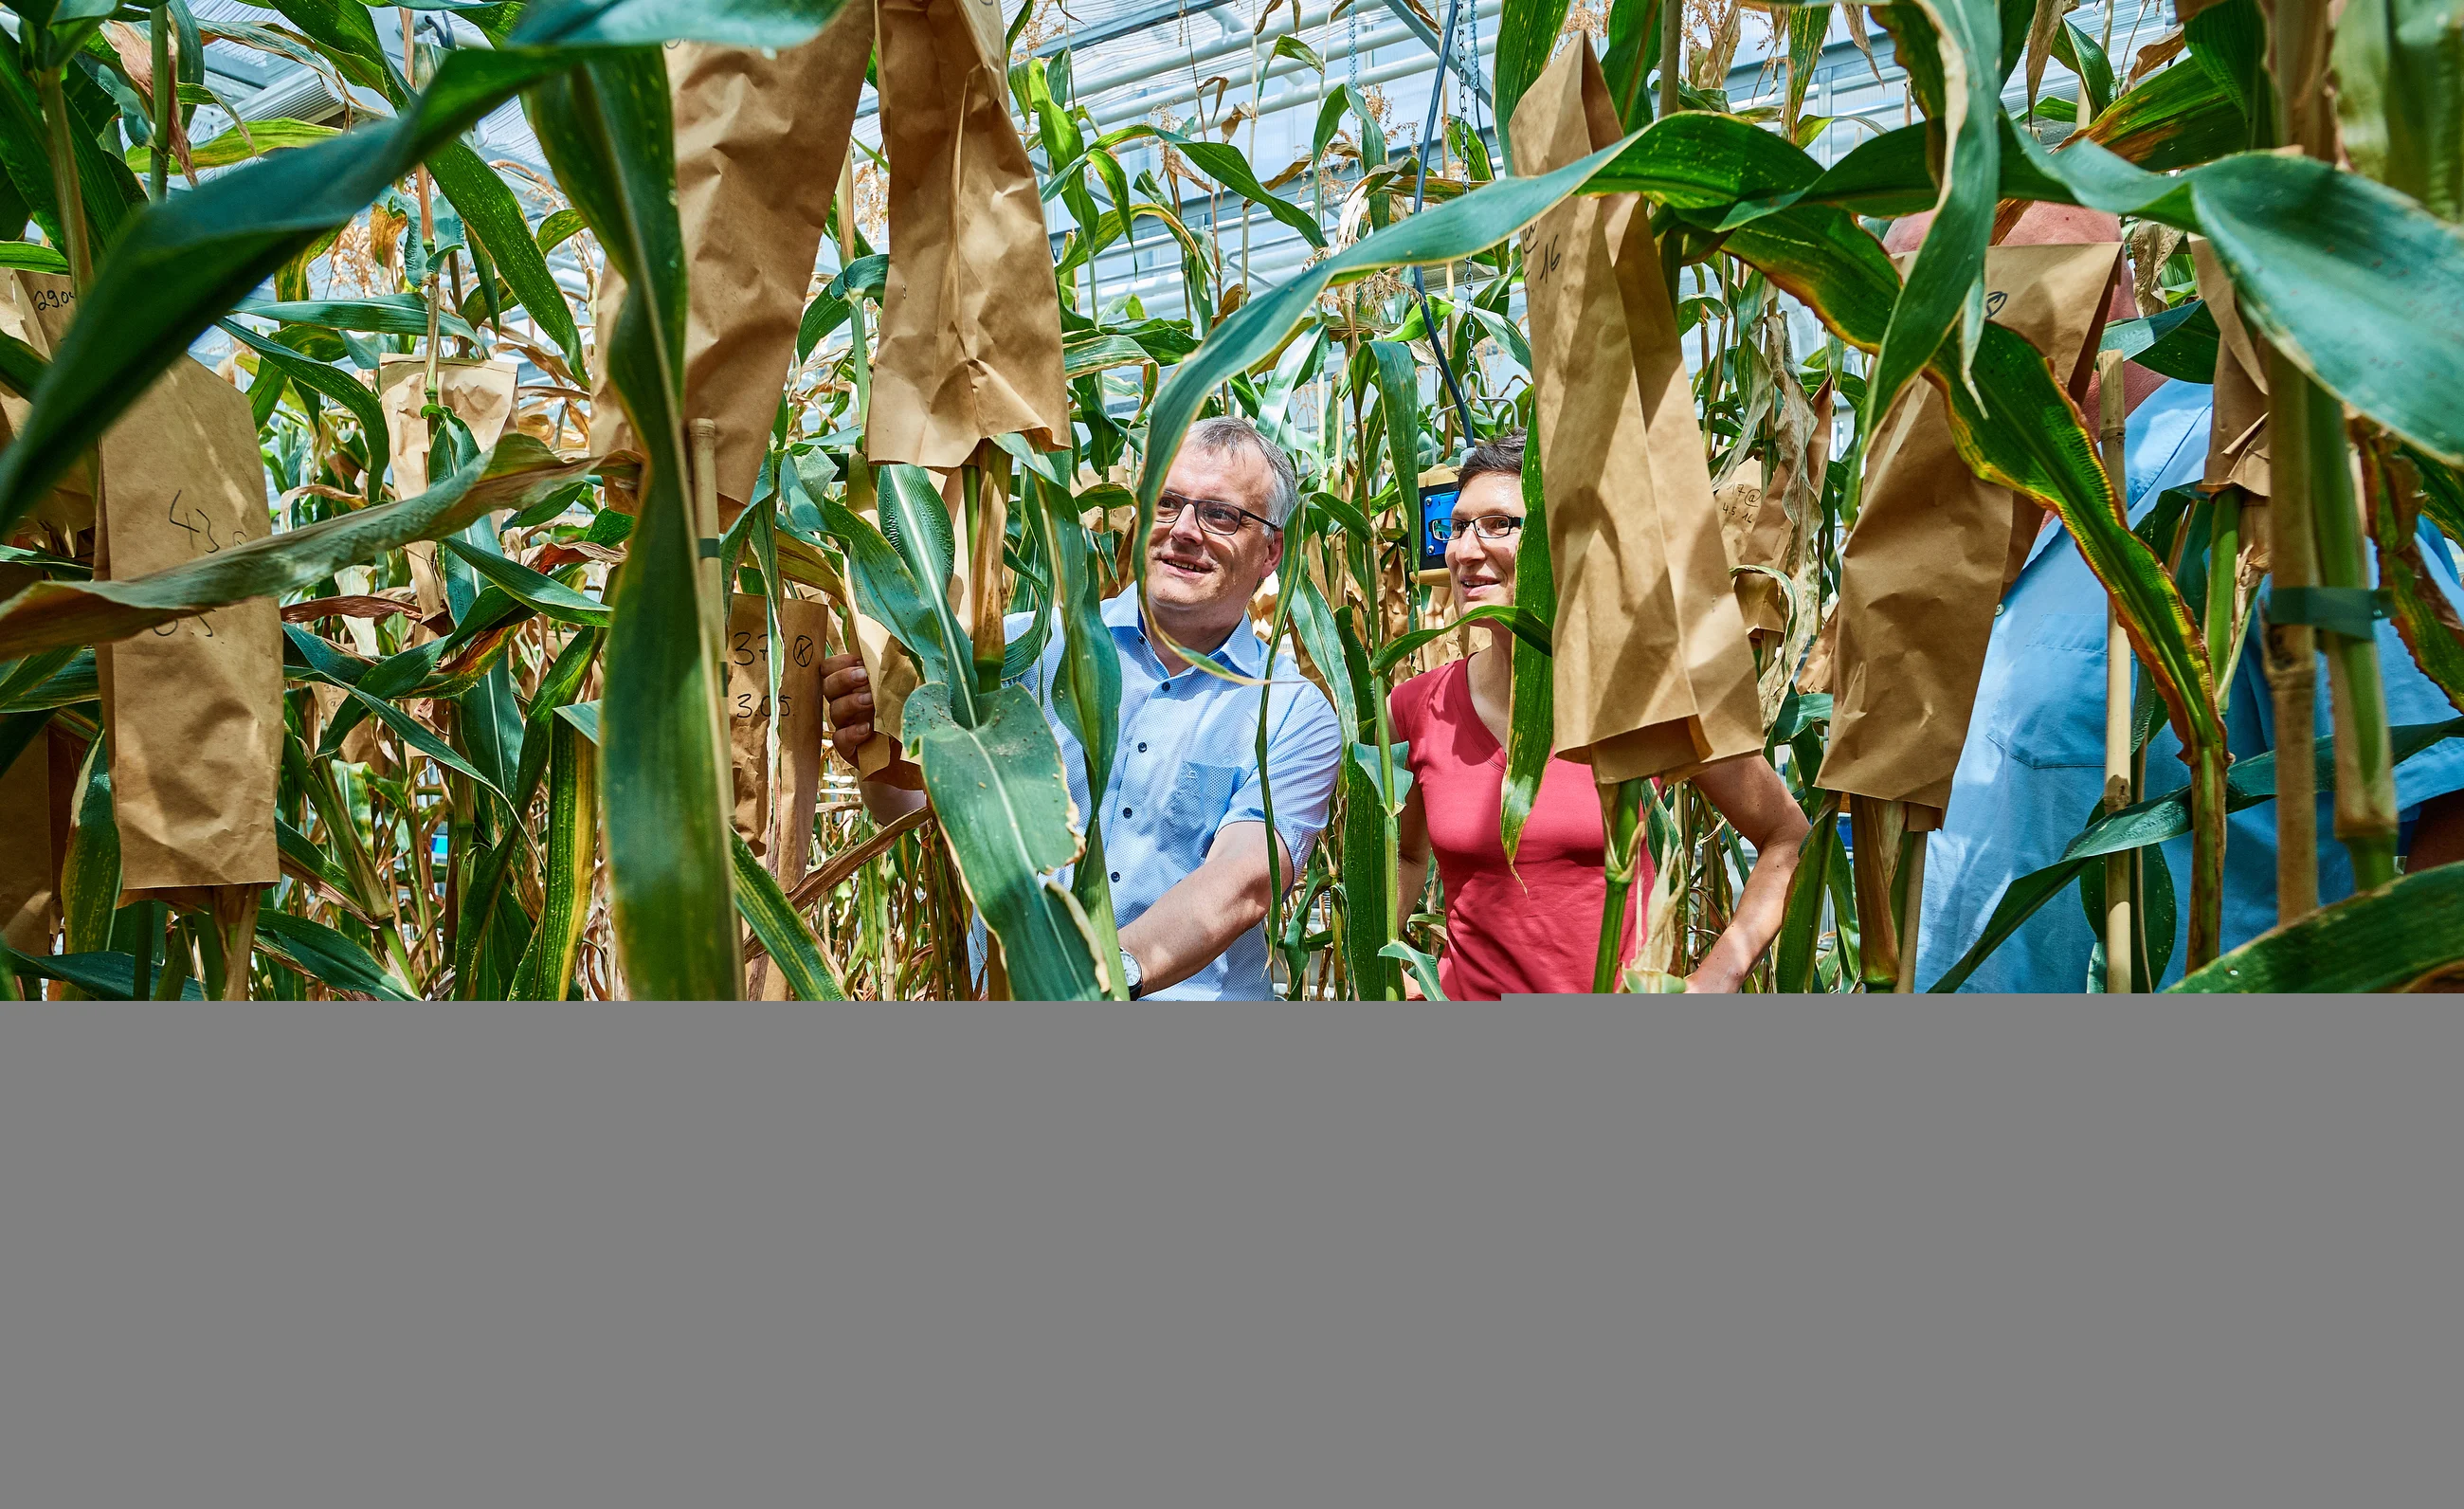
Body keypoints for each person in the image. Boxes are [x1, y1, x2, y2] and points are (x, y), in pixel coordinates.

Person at [1906, 211, 2464, 991]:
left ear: (2077, 294)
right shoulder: (1969, 525)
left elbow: (2449, 806)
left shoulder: (2270, 489)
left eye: (1926, 310)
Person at [822, 417, 1342, 999]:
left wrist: (1088, 980)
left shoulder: (1291, 712)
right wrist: (872, 739)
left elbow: (1242, 882)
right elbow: (914, 804)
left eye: (1220, 514)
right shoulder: (1019, 651)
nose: (1185, 531)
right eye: (1166, 504)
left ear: (1271, 550)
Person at [1392, 436, 1813, 997]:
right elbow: (1404, 852)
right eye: (1459, 525)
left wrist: (1719, 975)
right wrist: (1392, 970)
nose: (1466, 551)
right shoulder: (1418, 706)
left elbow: (1787, 835)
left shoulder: (1643, 696)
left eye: (1498, 525)